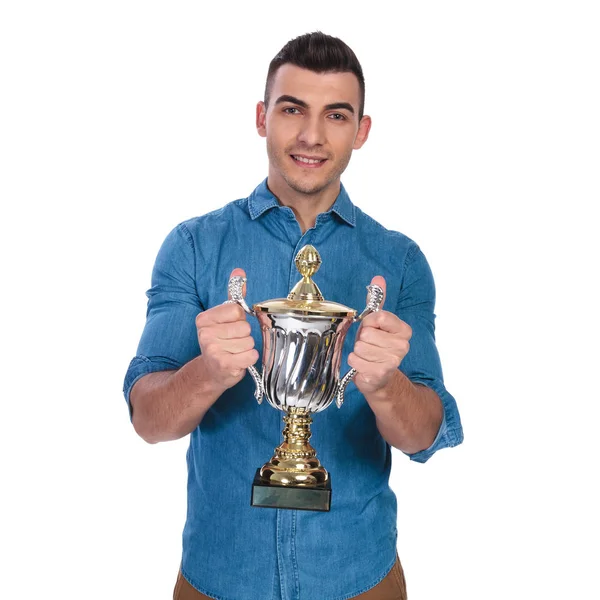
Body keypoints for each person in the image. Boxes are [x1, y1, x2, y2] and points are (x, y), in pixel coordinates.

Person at [124, 31, 463, 600]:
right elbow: (148, 420)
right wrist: (207, 373)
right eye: (291, 109)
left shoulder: (399, 261)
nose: (311, 135)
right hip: (219, 577)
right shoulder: (193, 246)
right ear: (262, 117)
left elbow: (423, 435)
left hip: (360, 576)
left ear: (362, 130)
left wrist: (384, 385)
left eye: (335, 115)